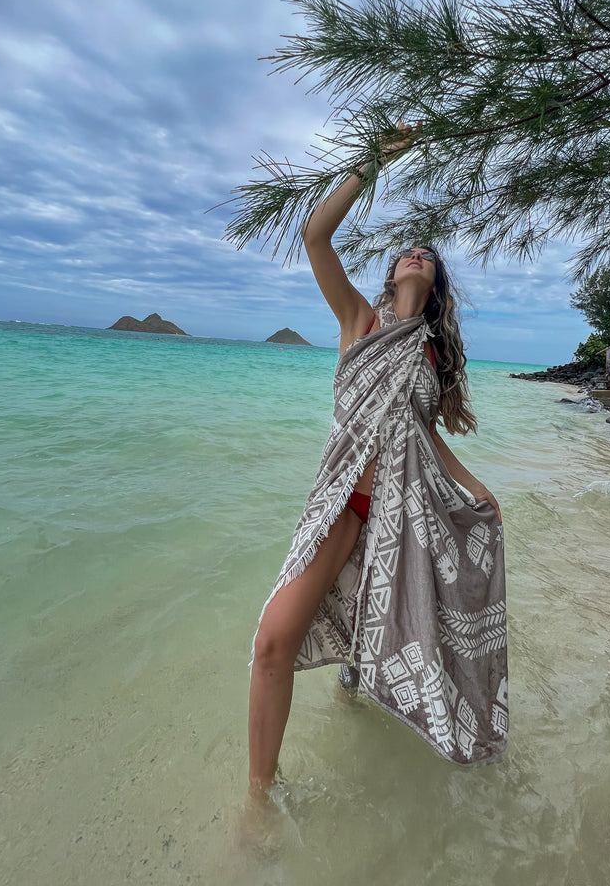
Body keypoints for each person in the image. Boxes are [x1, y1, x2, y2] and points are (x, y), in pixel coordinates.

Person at [247, 127, 508, 800]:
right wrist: (372, 161)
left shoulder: (430, 357)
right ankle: (259, 797)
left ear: (434, 283)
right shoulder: (359, 321)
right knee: (274, 642)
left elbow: (424, 436)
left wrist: (474, 486)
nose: (417, 254)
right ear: (391, 275)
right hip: (346, 505)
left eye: (428, 256)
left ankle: (361, 701)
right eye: (407, 252)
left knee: (384, 640)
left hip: (405, 517)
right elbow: (315, 236)